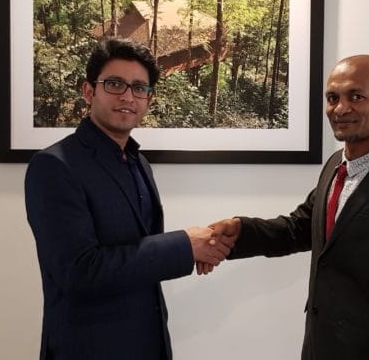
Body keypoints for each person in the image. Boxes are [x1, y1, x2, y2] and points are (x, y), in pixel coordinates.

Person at [205, 55, 369, 359]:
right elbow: (300, 228)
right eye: (333, 98)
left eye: (356, 96)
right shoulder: (337, 164)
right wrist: (241, 231)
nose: (340, 108)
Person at [25, 38, 230, 359]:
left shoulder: (139, 162)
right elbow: (79, 271)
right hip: (88, 350)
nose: (127, 96)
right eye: (114, 84)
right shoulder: (54, 165)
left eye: (139, 88)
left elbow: (140, 256)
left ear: (149, 99)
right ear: (89, 91)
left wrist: (199, 246)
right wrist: (185, 245)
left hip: (148, 343)